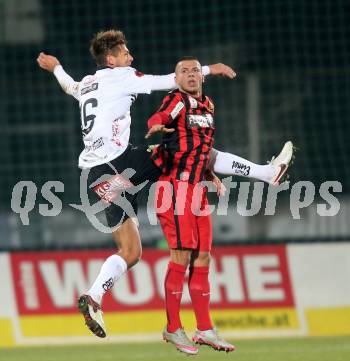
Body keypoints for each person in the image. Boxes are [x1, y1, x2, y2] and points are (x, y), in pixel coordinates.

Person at [36, 29, 293, 339]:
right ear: (111, 60)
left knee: (130, 252)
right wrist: (209, 69)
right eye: (125, 52)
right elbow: (168, 80)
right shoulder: (122, 75)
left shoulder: (88, 83)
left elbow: (68, 86)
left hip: (93, 174)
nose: (130, 56)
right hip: (118, 163)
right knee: (191, 148)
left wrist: (56, 68)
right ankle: (267, 173)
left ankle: (94, 296)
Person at [146, 57, 235, 355]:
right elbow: (160, 116)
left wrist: (211, 176)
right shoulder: (177, 101)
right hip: (175, 188)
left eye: (195, 70)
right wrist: (156, 125)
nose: (191, 75)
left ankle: (205, 328)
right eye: (184, 71)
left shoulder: (208, 106)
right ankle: (172, 328)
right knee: (181, 256)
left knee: (203, 257)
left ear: (203, 76)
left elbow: (200, 149)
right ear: (176, 78)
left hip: (196, 190)